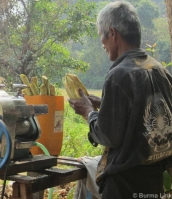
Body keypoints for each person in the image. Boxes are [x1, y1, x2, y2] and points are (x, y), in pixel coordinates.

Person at [69, 1, 172, 198]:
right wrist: (104, 104)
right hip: (154, 182)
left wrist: (89, 112)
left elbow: (108, 135)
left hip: (124, 186)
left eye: (102, 37)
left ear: (113, 33)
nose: (102, 44)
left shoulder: (119, 75)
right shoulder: (159, 70)